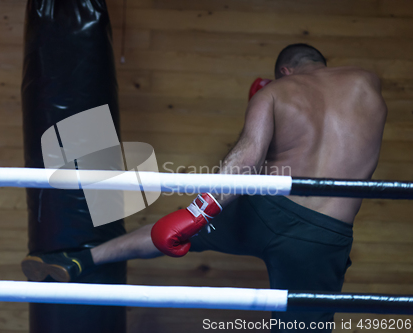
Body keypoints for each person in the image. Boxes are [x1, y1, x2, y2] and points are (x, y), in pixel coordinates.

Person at [22, 43, 388, 332]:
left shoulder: (276, 93)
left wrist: (195, 214)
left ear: (284, 71)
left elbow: (245, 162)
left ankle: (79, 259)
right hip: (322, 238)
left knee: (167, 231)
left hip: (265, 212)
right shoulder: (368, 83)